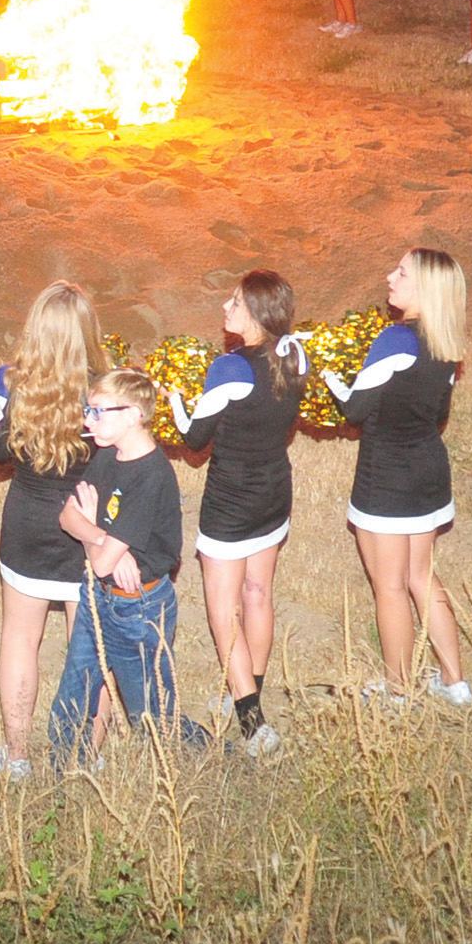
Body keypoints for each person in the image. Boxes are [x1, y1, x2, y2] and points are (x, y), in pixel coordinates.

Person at [321, 250, 472, 706]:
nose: (390, 276)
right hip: (429, 469)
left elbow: (355, 409)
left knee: (389, 586)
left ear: (424, 286)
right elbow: (440, 412)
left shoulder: (395, 339)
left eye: (402, 272)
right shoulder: (447, 341)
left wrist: (330, 377)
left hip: (386, 477)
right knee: (422, 576)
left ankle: (398, 691)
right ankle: (455, 683)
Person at [180, 272, 308, 748]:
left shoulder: (229, 369)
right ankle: (247, 689)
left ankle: (252, 721)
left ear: (256, 313)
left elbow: (194, 438)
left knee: (223, 608)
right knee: (259, 593)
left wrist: (177, 403)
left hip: (231, 501)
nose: (224, 308)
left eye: (234, 302)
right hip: (275, 492)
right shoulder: (297, 354)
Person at [0, 281, 99, 776]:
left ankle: (18, 757)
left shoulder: (7, 384)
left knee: (20, 637)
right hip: (88, 526)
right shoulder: (108, 390)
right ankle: (84, 759)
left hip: (28, 525)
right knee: (89, 646)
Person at [47, 366, 190, 763]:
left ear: (133, 415)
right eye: (86, 409)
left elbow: (104, 560)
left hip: (137, 609)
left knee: (154, 716)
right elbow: (66, 516)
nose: (86, 419)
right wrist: (100, 537)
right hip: (98, 598)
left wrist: (97, 537)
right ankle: (64, 779)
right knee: (72, 696)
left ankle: (218, 759)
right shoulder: (108, 456)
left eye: (97, 411)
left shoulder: (151, 476)